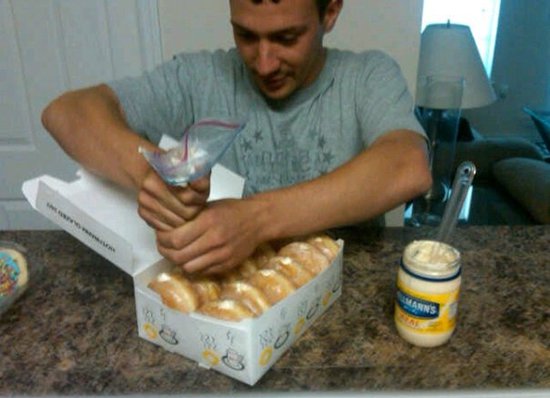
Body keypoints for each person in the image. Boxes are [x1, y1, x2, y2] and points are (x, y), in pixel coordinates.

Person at [41, 0, 432, 275]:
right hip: (227, 304)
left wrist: (256, 221)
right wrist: (153, 173)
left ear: (330, 12)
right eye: (246, 35)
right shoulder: (199, 77)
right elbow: (65, 113)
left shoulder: (369, 76)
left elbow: (407, 166)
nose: (264, 63)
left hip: (348, 298)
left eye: (287, 38)